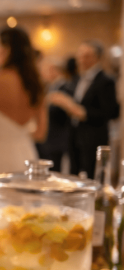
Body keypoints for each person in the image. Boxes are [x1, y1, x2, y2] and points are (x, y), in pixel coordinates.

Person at [0, 27, 47, 175]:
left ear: (6, 50)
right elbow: (40, 133)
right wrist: (19, 134)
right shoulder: (35, 84)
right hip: (27, 156)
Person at [48, 40, 120, 177]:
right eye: (80, 55)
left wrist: (81, 112)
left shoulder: (106, 81)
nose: (81, 59)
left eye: (86, 56)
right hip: (74, 135)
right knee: (73, 176)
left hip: (93, 137)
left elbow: (110, 112)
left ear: (97, 57)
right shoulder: (77, 79)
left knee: (94, 176)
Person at [36, 58, 72, 172]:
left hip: (56, 139)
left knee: (54, 172)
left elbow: (63, 115)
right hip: (48, 138)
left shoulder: (65, 87)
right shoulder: (50, 87)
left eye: (45, 70)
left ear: (54, 70)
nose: (43, 73)